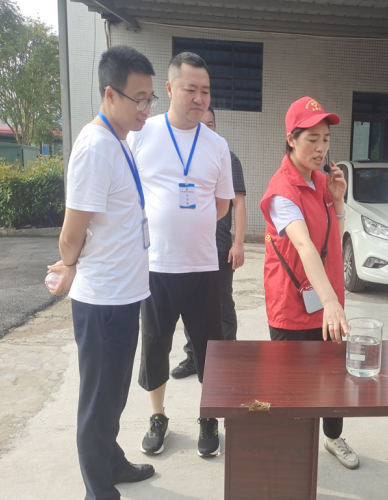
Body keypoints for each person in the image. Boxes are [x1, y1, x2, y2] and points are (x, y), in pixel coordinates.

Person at [47, 45, 157, 499]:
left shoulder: (119, 141)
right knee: (97, 402)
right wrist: (69, 266)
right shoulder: (95, 147)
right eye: (138, 98)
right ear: (110, 94)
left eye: (150, 98)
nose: (145, 108)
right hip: (102, 301)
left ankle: (111, 463)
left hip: (123, 294)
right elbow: (71, 233)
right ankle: (98, 490)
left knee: (113, 395)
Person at [128, 52, 234, 457]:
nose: (200, 98)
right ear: (170, 89)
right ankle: (158, 416)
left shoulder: (217, 145)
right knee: (155, 344)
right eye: (191, 89)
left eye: (205, 90)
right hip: (156, 265)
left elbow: (222, 205)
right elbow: (128, 194)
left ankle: (208, 417)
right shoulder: (142, 134)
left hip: (204, 266)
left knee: (209, 348)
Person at [259, 96, 359, 470]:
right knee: (292, 386)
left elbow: (332, 237)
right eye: (312, 139)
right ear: (291, 139)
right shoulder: (281, 191)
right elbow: (303, 246)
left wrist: (338, 202)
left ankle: (333, 438)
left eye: (326, 139)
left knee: (333, 380)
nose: (321, 148)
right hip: (294, 305)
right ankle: (291, 452)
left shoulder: (322, 181)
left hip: (327, 300)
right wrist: (330, 301)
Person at [171, 105, 247, 379]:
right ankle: (194, 357)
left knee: (222, 304)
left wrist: (238, 243)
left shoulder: (226, 156)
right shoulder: (182, 159)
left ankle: (228, 357)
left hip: (219, 247)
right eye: (200, 123)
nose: (205, 128)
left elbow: (238, 203)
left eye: (210, 124)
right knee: (190, 305)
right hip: (188, 248)